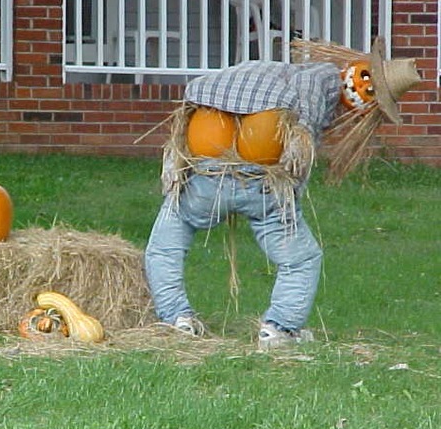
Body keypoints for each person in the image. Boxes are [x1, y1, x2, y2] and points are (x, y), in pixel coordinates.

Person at [144, 38, 421, 349]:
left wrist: (179, 163)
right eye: (367, 83)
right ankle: (279, 328)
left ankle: (176, 319)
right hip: (263, 178)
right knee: (303, 258)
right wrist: (290, 194)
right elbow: (300, 141)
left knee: (165, 246)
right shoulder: (320, 82)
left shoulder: (272, 73)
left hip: (205, 169)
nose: (362, 89)